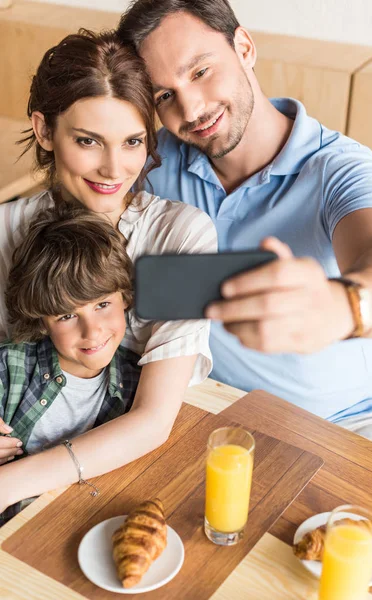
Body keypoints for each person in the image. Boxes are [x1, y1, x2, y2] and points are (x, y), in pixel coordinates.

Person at [117, 0, 372, 449]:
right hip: (209, 411)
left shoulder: (339, 170)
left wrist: (345, 306)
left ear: (244, 47)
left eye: (200, 72)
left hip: (350, 420)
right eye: (164, 95)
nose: (191, 109)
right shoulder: (147, 162)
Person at [0, 31, 217, 485]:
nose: (114, 169)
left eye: (133, 142)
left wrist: (9, 486)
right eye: (88, 141)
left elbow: (154, 420)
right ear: (44, 130)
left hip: (141, 467)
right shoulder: (8, 230)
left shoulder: (180, 237)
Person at [0, 205, 143, 524]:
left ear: (125, 296)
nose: (92, 331)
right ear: (42, 322)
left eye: (102, 304)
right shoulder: (10, 367)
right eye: (67, 316)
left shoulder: (140, 387)